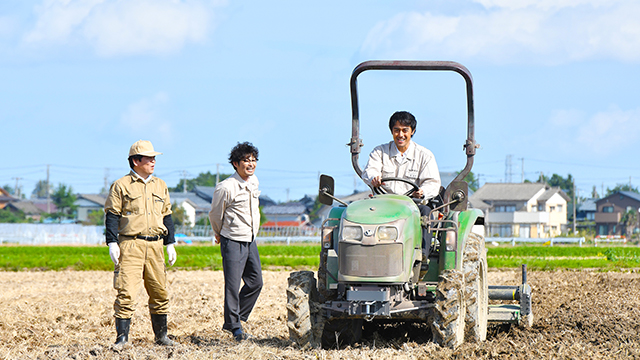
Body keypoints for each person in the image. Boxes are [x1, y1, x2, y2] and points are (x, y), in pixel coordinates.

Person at [104, 140, 177, 347]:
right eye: (149, 158)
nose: (153, 161)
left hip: (155, 246)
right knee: (126, 292)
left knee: (159, 292)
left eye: (154, 158)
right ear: (136, 161)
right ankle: (122, 338)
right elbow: (112, 215)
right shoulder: (121, 185)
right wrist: (112, 242)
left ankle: (161, 337)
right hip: (130, 245)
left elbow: (167, 216)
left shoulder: (160, 185)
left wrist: (170, 243)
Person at [361, 111, 441, 257]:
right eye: (396, 130)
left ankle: (422, 255)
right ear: (391, 131)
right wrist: (374, 178)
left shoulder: (424, 155)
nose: (401, 135)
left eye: (405, 130)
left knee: (426, 213)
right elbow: (370, 170)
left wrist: (423, 192)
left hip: (412, 204)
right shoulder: (380, 152)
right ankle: (363, 252)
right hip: (384, 203)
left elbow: (432, 183)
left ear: (412, 131)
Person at [208, 142, 263, 342]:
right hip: (232, 240)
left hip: (250, 239)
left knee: (256, 282)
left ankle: (235, 318)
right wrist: (218, 233)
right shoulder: (226, 186)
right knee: (232, 285)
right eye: (246, 161)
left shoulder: (254, 181)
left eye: (253, 160)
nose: (251, 164)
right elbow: (215, 214)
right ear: (235, 164)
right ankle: (235, 328)